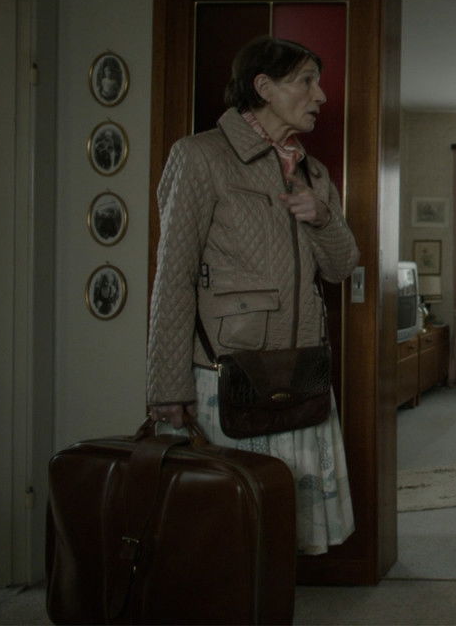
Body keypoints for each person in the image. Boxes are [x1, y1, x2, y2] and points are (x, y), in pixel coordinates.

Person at [146, 35, 359, 555]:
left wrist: (322, 217)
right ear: (263, 86)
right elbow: (172, 276)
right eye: (306, 81)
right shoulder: (200, 156)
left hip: (300, 372)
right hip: (227, 375)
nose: (321, 95)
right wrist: (168, 385)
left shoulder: (313, 173)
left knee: (283, 526)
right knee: (225, 528)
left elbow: (341, 267)